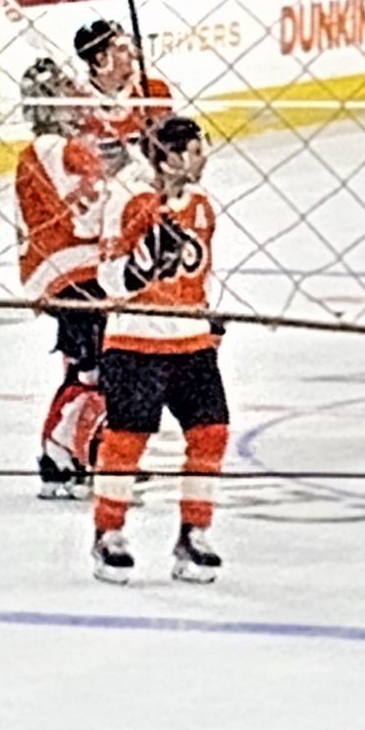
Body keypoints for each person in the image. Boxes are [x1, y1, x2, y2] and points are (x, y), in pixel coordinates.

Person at [90, 116, 227, 584]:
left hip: (189, 339)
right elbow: (108, 281)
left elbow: (203, 271)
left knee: (211, 432)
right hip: (135, 340)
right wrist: (142, 269)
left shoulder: (203, 205)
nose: (202, 157)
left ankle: (194, 533)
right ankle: (108, 534)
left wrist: (211, 315)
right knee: (127, 441)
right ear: (167, 155)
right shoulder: (130, 200)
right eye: (192, 149)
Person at [14, 58, 108, 497]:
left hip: (59, 271)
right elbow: (90, 218)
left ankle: (73, 451)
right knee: (95, 368)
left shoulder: (43, 148)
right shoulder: (62, 149)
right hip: (76, 270)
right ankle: (61, 452)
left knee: (89, 366)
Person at [71, 19, 171, 170]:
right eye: (122, 48)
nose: (133, 54)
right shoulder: (75, 104)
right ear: (101, 59)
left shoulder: (151, 91)